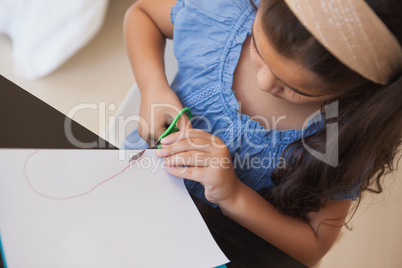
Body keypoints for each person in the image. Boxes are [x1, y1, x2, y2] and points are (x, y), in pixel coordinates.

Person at [123, 0, 402, 265]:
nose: (264, 81)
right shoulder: (224, 11)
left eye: (296, 88)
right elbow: (142, 13)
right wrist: (152, 86)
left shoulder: (346, 136)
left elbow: (311, 248)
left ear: (356, 90)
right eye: (258, 47)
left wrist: (232, 195)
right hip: (129, 193)